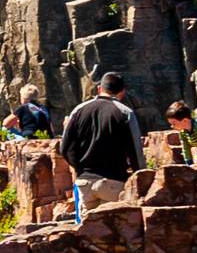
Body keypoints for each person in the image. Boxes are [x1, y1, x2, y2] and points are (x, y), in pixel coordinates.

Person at [59, 71, 146, 206]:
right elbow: (135, 151)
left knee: (88, 220)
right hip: (113, 181)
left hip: (84, 183)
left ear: (99, 89)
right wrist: (141, 176)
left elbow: (65, 148)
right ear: (121, 93)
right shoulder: (125, 112)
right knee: (113, 219)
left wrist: (80, 168)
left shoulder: (78, 110)